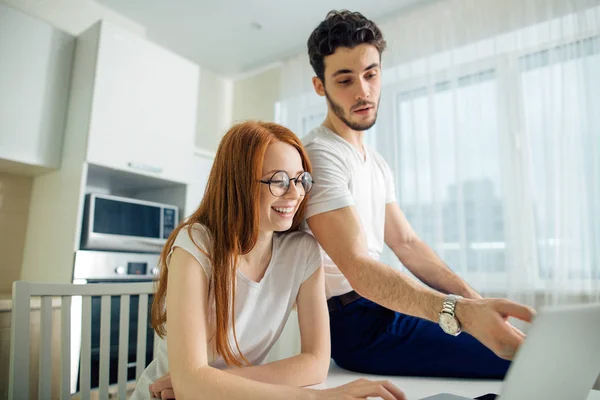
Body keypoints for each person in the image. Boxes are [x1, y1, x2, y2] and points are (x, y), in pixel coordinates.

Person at [301, 10, 536, 379]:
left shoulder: (375, 163)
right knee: (517, 359)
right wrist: (460, 311)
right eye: (345, 80)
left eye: (371, 74)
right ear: (320, 86)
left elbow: (407, 243)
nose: (363, 91)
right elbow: (358, 267)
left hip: (387, 303)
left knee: (527, 348)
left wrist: (476, 301)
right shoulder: (319, 154)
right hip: (356, 323)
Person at [131, 121, 406, 400]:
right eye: (279, 181)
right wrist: (321, 398)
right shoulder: (197, 244)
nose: (296, 193)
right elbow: (190, 388)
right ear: (238, 183)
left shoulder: (303, 252)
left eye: (301, 179)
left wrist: (209, 382)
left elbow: (315, 363)